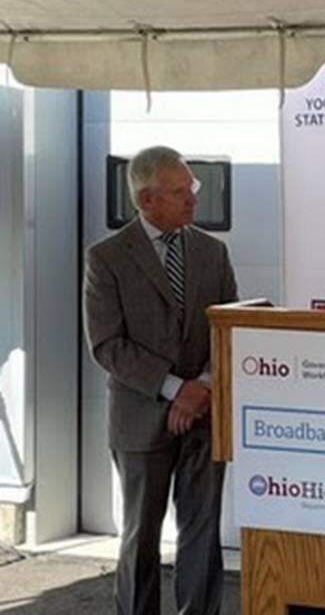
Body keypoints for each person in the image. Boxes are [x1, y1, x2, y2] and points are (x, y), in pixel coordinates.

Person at [84, 146, 238, 615]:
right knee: (140, 538)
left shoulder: (212, 252)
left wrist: (205, 387)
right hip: (140, 419)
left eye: (192, 187)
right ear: (146, 199)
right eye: (180, 191)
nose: (193, 198)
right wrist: (176, 389)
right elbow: (108, 345)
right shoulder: (106, 258)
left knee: (201, 534)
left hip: (204, 415)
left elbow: (227, 329)